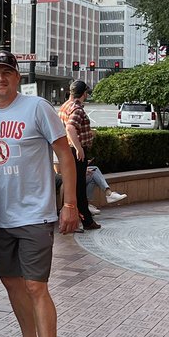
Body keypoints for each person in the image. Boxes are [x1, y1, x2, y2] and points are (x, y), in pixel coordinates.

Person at [0, 51, 79, 337]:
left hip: (36, 216)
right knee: (11, 283)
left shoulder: (37, 107)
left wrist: (69, 204)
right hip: (4, 216)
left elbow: (64, 156)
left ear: (17, 77)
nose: (1, 78)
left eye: (7, 72)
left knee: (37, 288)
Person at [59, 80, 100, 231]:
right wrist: (79, 148)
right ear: (84, 93)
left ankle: (78, 218)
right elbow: (70, 128)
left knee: (72, 186)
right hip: (75, 151)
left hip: (67, 150)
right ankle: (85, 221)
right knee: (79, 187)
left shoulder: (65, 106)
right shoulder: (77, 109)